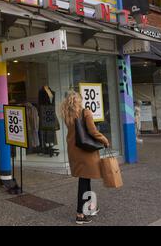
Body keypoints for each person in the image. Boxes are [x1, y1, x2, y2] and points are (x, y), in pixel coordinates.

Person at [60, 91, 110, 225]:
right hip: (85, 151)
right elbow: (93, 132)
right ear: (78, 100)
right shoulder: (85, 112)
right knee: (84, 181)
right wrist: (105, 140)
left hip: (74, 150)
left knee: (85, 179)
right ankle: (80, 214)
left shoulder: (67, 114)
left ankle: (89, 207)